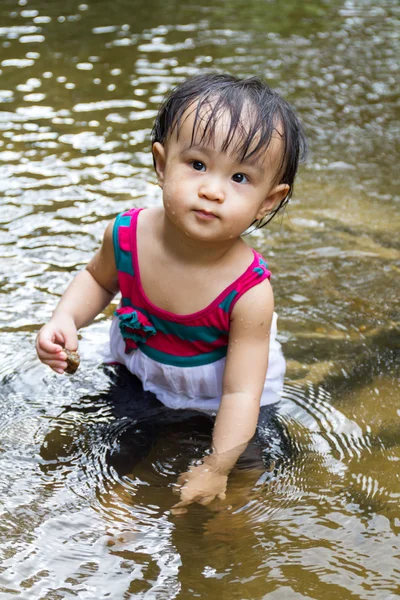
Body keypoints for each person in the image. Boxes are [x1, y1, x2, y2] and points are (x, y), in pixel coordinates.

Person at [36, 73, 307, 511]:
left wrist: (217, 467)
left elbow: (241, 394)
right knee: (117, 434)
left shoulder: (250, 292)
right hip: (143, 368)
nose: (212, 190)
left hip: (220, 393)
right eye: (197, 165)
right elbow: (98, 279)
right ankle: (117, 501)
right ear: (162, 165)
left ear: (268, 201)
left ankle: (231, 522)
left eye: (239, 177)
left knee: (247, 465)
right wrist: (64, 319)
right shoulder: (126, 235)